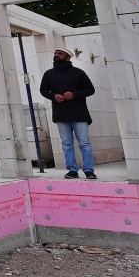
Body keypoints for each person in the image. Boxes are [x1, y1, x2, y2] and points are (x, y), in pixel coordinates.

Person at [39, 47, 97, 179]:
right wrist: (54, 96)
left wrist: (74, 94)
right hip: (61, 113)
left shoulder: (78, 73)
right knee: (66, 143)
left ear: (68, 57)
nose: (57, 55)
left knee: (84, 142)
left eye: (60, 53)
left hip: (79, 113)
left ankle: (89, 170)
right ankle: (72, 170)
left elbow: (90, 89)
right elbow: (43, 90)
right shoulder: (49, 74)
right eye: (55, 53)